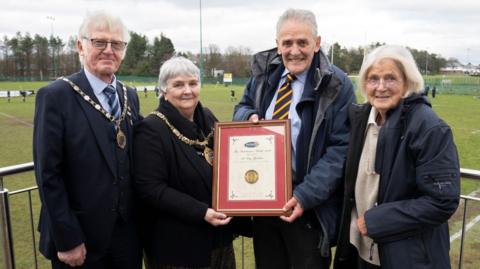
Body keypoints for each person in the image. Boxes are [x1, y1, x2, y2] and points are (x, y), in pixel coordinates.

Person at [233, 8, 355, 269]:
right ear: (277, 45)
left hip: (308, 207)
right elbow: (242, 106)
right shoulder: (263, 76)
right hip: (264, 203)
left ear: (317, 43)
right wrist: (248, 117)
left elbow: (341, 149)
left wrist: (304, 195)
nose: (294, 50)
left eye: (302, 42)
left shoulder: (337, 85)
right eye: (287, 43)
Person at [333, 45, 460, 269]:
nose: (380, 87)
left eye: (390, 78)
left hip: (407, 257)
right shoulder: (360, 118)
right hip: (361, 251)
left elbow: (442, 201)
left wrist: (376, 221)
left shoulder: (429, 127)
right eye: (373, 79)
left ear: (407, 81)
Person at [33, 11, 142, 269]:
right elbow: (48, 174)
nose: (108, 50)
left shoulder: (130, 95)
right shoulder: (56, 96)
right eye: (99, 42)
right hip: (79, 238)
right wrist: (67, 238)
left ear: (124, 50)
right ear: (80, 46)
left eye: (116, 44)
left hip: (127, 237)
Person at [133, 56, 249, 269]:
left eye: (193, 83)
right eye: (178, 84)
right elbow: (150, 189)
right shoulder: (151, 129)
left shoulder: (208, 118)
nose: (187, 90)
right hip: (177, 247)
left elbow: (230, 163)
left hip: (219, 238)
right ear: (164, 90)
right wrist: (201, 212)